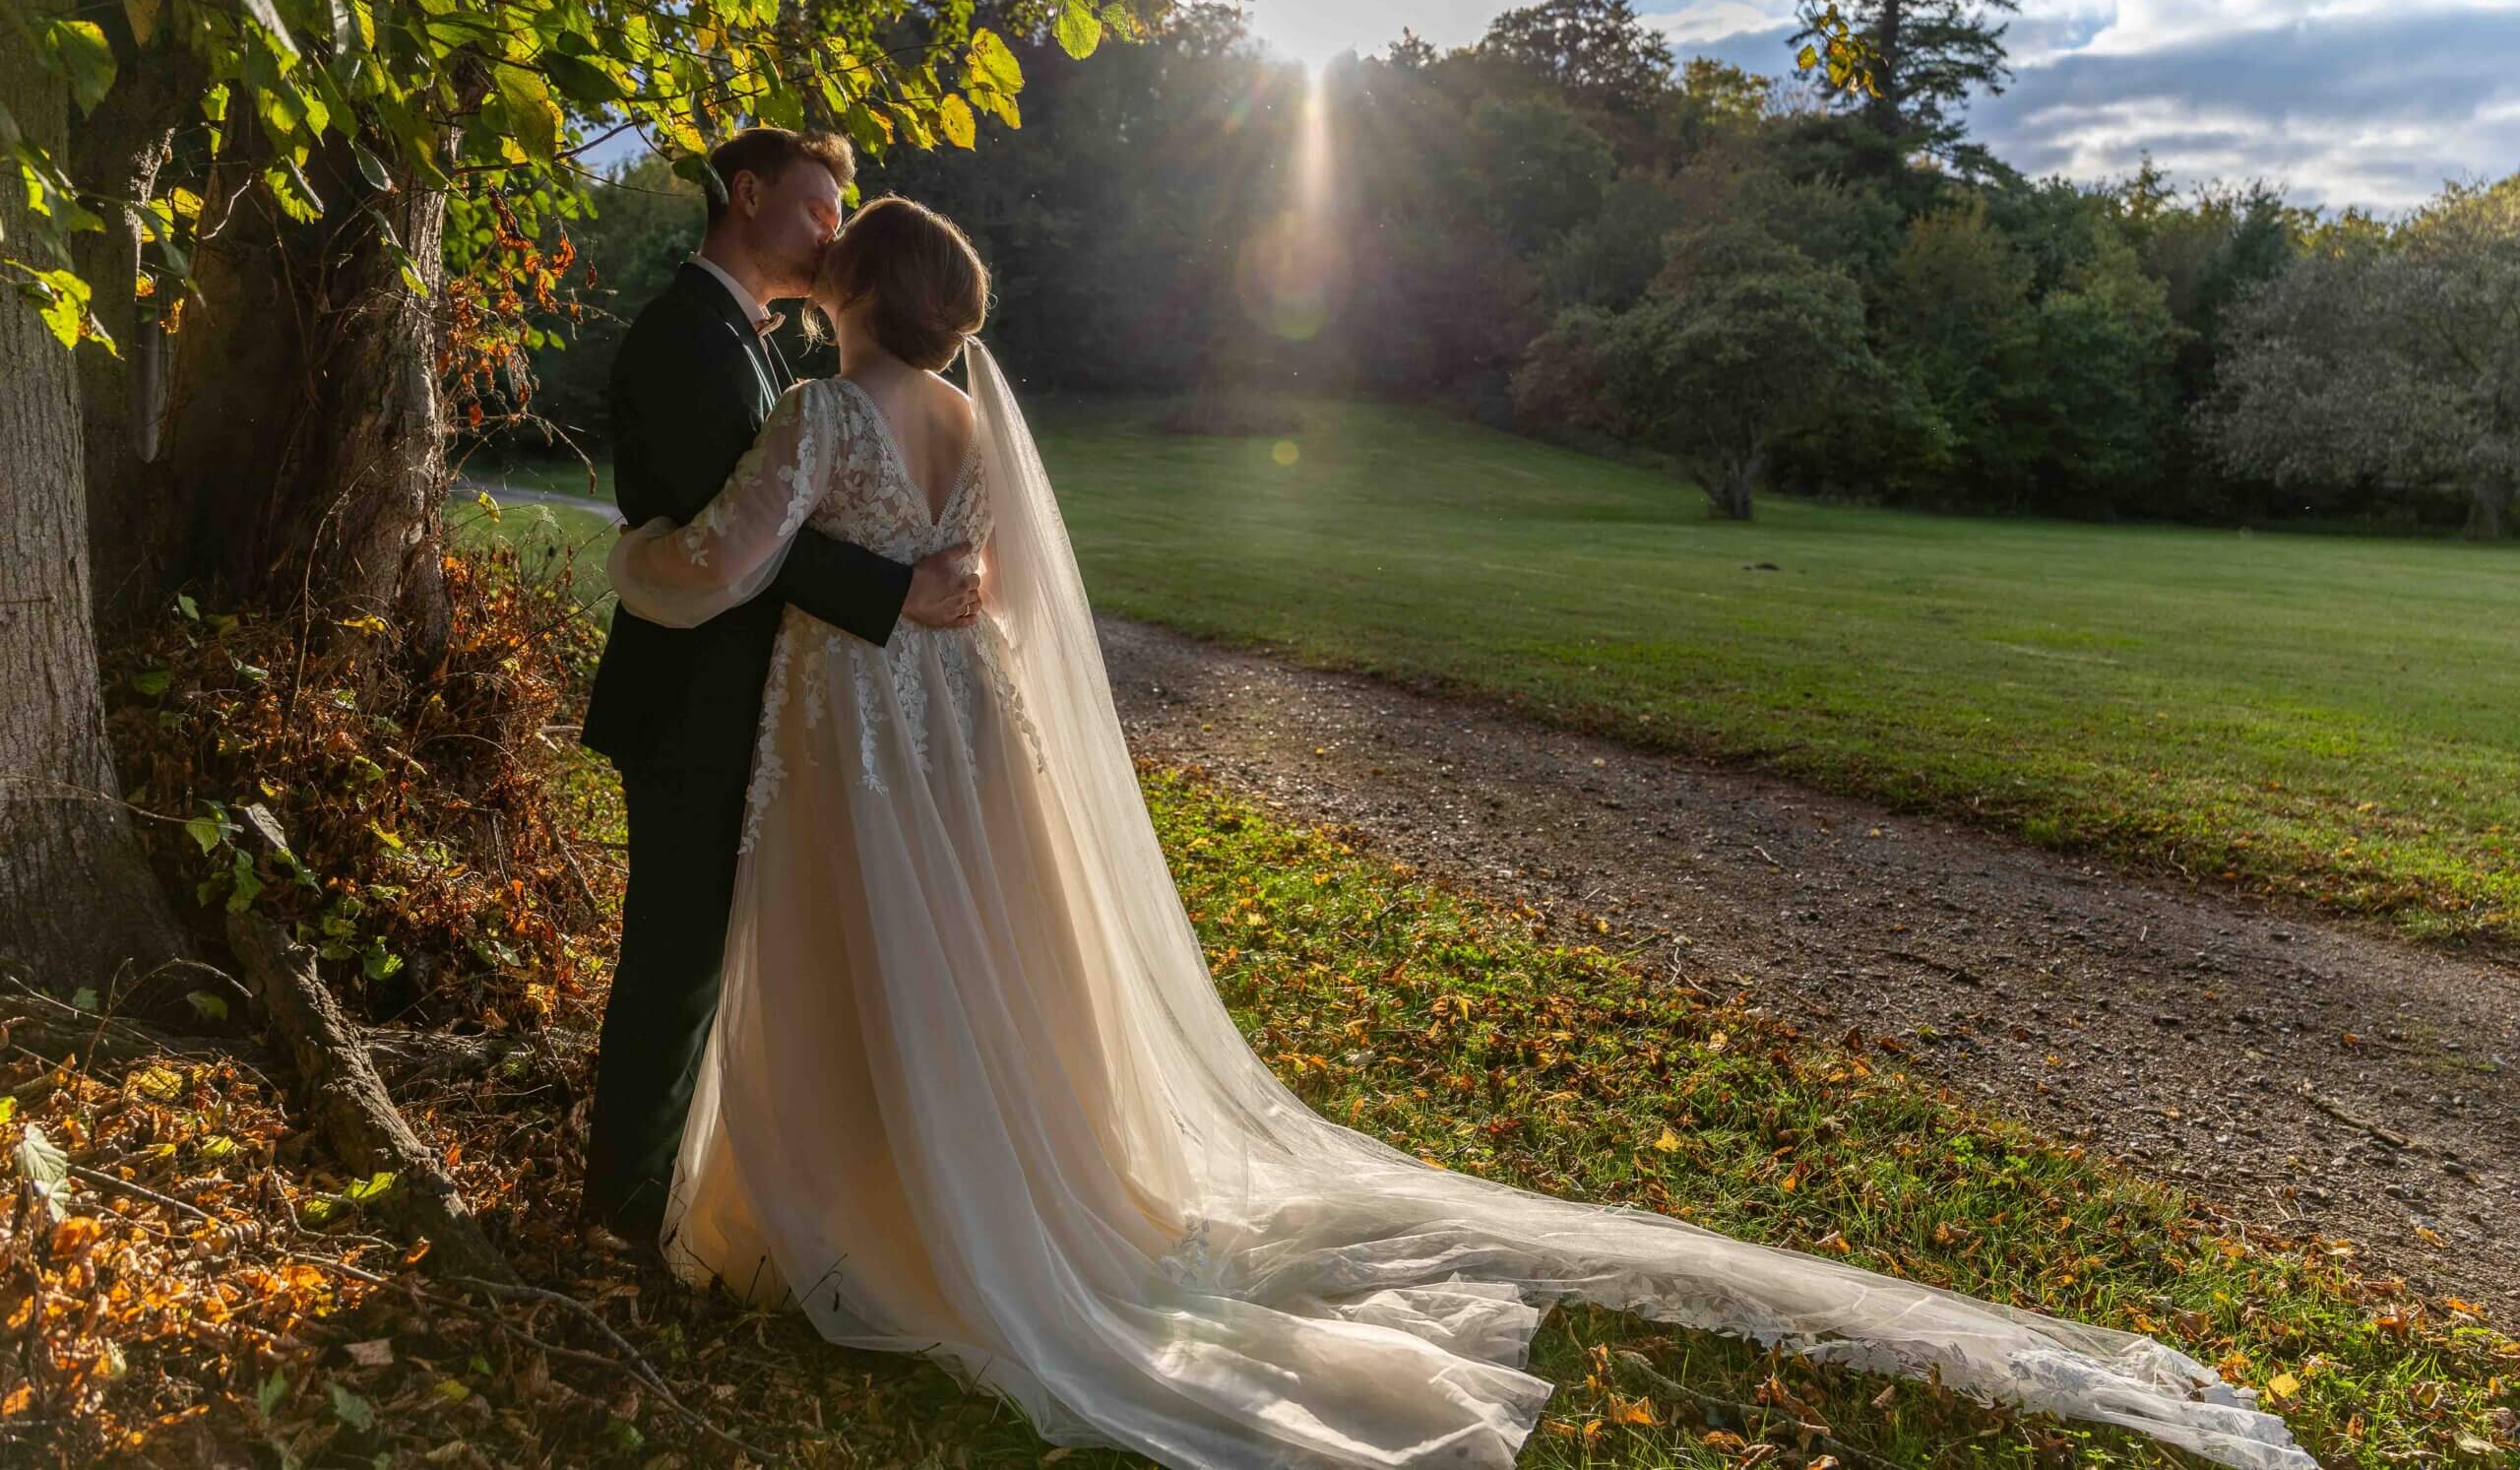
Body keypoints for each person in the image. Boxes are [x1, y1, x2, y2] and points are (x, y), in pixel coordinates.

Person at [602, 193, 2312, 1470]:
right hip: (967, 736)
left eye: (833, 268)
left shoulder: (825, 417)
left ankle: (873, 1220)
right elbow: (991, 597)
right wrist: (920, 597)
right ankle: (962, 1196)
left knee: (863, 957)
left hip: (854, 738)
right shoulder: (975, 423)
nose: (816, 283)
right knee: (967, 969)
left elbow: (715, 565)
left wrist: (628, 557)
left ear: (864, 296)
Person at [576, 130, 979, 1246]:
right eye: (816, 208)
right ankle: (620, 1211)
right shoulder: (681, 339)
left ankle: (708, 1183)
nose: (833, 233)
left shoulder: (768, 353)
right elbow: (730, 543)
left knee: (740, 960)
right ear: (746, 196)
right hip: (689, 699)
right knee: (676, 961)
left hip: (768, 705)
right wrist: (900, 591)